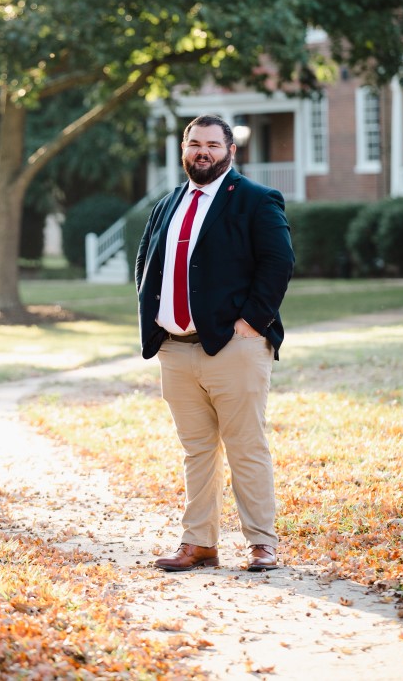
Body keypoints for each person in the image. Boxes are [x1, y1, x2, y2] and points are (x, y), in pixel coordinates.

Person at [136, 114, 294, 572]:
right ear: (183, 150)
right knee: (197, 450)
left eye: (212, 145)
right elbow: (147, 261)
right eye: (194, 144)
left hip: (234, 346)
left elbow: (278, 263)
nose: (202, 152)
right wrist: (155, 324)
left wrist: (251, 323)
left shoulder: (255, 200)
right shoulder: (168, 203)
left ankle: (262, 543)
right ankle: (199, 543)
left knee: (246, 445)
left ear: (230, 151)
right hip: (175, 347)